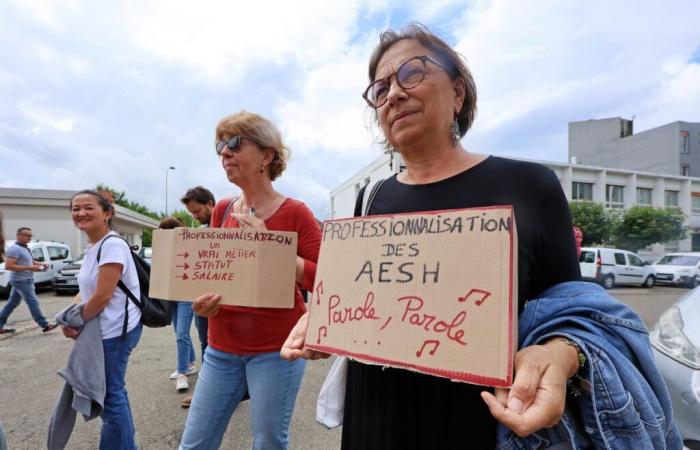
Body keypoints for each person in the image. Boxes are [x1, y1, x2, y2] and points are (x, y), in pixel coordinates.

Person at [281, 23, 584, 449]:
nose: (394, 94)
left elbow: (578, 315)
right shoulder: (372, 197)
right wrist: (331, 321)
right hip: (375, 419)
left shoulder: (529, 185)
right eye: (380, 88)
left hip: (483, 423)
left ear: (458, 93)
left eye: (412, 73)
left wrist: (559, 353)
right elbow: (369, 297)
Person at [179, 111, 321, 450]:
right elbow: (216, 273)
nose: (224, 153)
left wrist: (271, 246)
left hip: (275, 350)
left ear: (267, 155)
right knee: (194, 444)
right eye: (220, 146)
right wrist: (205, 304)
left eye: (234, 143)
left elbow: (327, 279)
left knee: (268, 442)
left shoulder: (296, 212)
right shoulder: (223, 210)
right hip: (222, 348)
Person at [60, 190, 142, 449]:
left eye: (88, 207)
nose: (80, 213)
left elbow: (103, 295)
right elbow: (86, 290)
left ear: (107, 213)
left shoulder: (113, 244)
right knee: (115, 393)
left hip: (115, 331)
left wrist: (77, 321)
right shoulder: (94, 245)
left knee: (109, 397)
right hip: (105, 330)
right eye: (75, 208)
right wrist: (68, 316)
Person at [178, 186, 216, 408]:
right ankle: (207, 390)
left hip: (226, 303)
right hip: (202, 301)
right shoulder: (201, 232)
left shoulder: (230, 228)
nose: (195, 216)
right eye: (191, 213)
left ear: (210, 203)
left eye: (198, 211)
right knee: (207, 344)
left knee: (222, 348)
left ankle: (216, 391)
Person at [157, 216, 199, 394]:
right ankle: (189, 363)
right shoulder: (162, 249)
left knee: (181, 334)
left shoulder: (190, 246)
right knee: (179, 332)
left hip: (185, 295)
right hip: (170, 295)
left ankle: (182, 373)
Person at [0, 227, 58, 334]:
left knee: (12, 304)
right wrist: (31, 268)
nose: (30, 238)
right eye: (27, 235)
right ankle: (45, 324)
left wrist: (41, 264)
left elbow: (29, 261)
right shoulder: (15, 249)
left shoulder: (25, 248)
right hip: (21, 281)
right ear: (19, 236)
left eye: (31, 236)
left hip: (24, 280)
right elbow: (9, 266)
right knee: (33, 302)